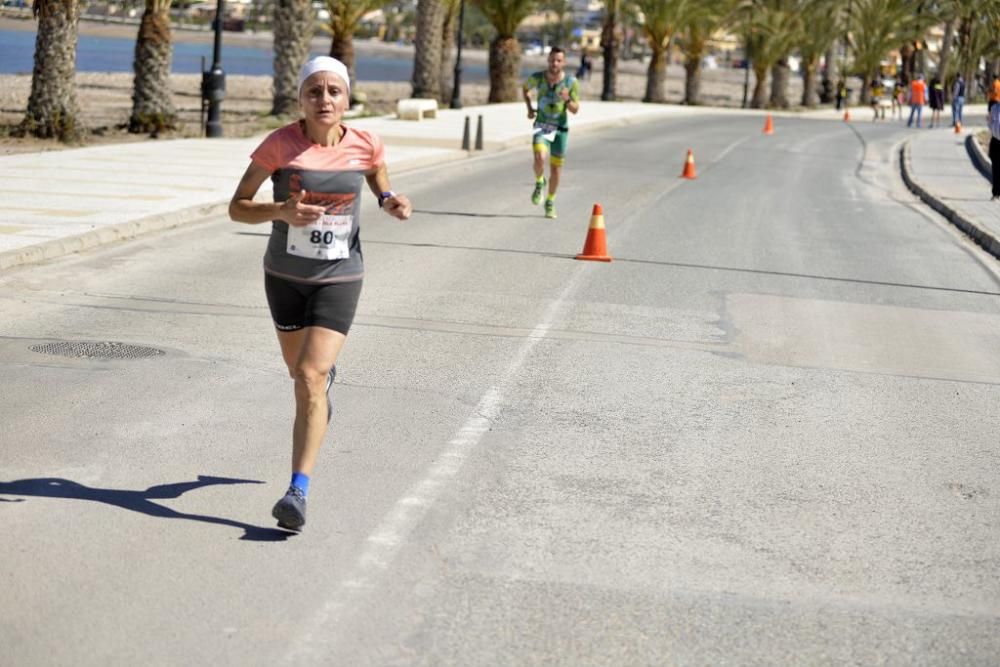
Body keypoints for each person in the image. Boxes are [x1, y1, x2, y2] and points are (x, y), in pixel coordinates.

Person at [228, 56, 412, 532]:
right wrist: (279, 213)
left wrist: (388, 199)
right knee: (299, 376)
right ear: (301, 99)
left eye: (334, 91)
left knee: (311, 376)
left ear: (347, 98)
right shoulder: (279, 145)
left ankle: (297, 491)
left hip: (340, 276)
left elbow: (377, 175)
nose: (324, 99)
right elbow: (237, 208)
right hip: (284, 277)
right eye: (315, 91)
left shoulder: (366, 142)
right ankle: (318, 395)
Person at [523, 46, 580, 219]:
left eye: (558, 60)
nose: (554, 63)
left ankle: (550, 200)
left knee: (555, 170)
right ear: (548, 60)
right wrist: (529, 108)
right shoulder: (538, 78)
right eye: (552, 60)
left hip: (560, 130)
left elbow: (575, 109)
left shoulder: (571, 83)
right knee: (539, 157)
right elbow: (525, 89)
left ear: (564, 63)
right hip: (542, 125)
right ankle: (540, 182)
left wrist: (567, 99)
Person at [990, 101, 1000, 201]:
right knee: (995, 167)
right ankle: (996, 193)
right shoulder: (994, 108)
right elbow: (990, 122)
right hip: (995, 141)